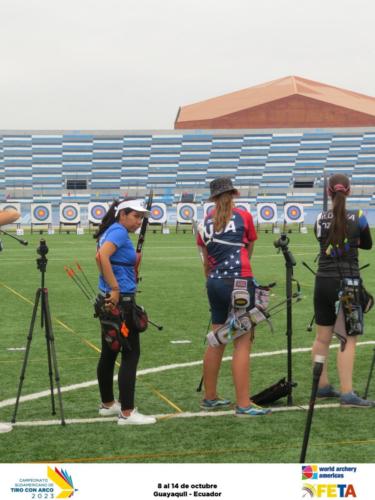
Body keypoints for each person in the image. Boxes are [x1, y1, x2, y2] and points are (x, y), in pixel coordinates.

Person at [196, 177, 271, 416]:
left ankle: (210, 397)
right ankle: (243, 404)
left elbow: (206, 260)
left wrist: (213, 277)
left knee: (217, 337)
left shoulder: (203, 224)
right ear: (233, 195)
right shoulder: (243, 216)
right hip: (240, 282)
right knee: (242, 342)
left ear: (214, 199)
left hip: (214, 282)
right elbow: (249, 248)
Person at [312, 173, 374, 408]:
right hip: (348, 283)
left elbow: (321, 239)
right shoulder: (358, 217)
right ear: (348, 191)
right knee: (348, 339)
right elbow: (368, 244)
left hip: (323, 282)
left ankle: (322, 386)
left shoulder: (319, 218)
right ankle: (347, 394)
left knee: (322, 338)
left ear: (329, 192)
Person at [94, 198, 156, 425]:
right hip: (121, 302)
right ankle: (127, 412)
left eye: (141, 217)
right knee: (131, 354)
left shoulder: (112, 230)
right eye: (136, 216)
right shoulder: (119, 232)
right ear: (123, 214)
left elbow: (105, 259)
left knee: (110, 351)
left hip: (108, 300)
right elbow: (102, 257)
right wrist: (116, 287)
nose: (139, 221)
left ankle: (108, 404)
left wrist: (128, 268)